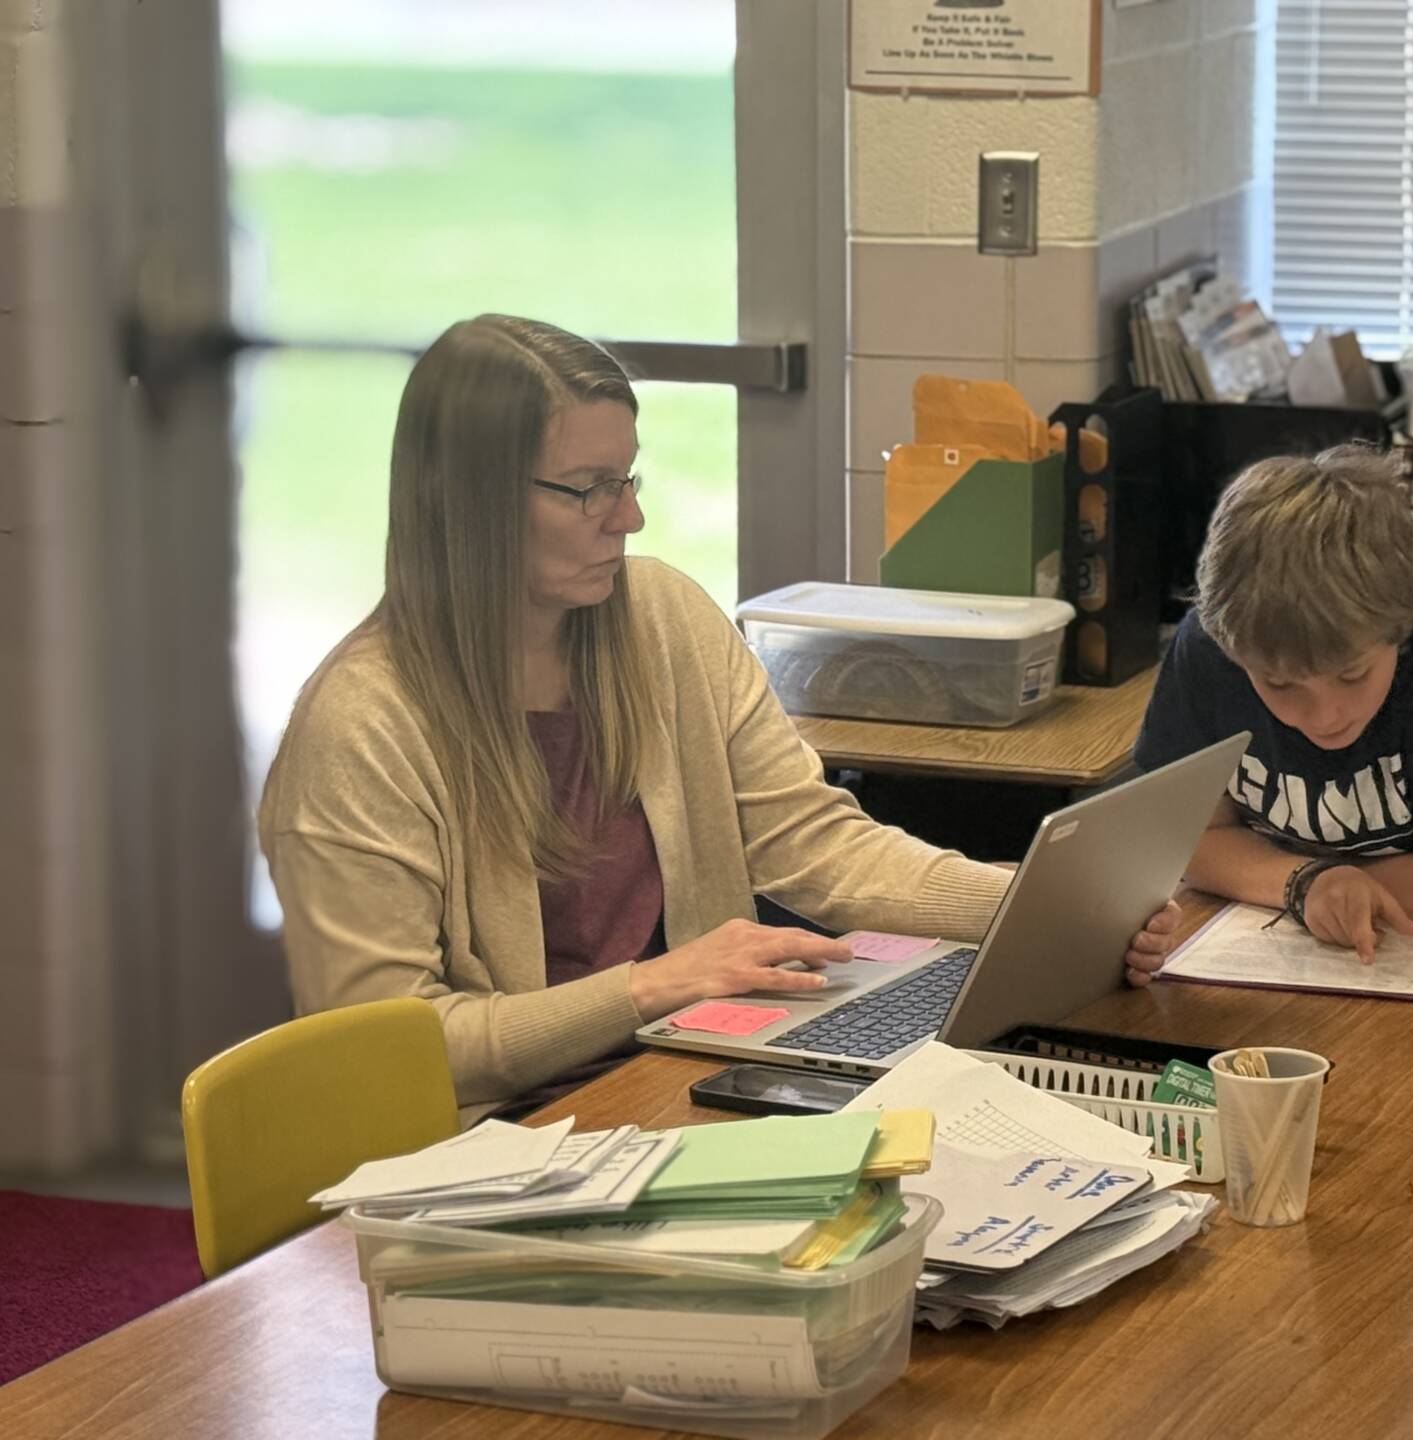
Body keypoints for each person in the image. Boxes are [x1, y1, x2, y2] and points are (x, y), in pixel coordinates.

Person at [259, 315, 1177, 1119]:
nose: (631, 517)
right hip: (512, 1140)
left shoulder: (659, 617)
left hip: (694, 1072)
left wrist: (1039, 906)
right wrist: (653, 987)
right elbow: (388, 1047)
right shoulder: (361, 728)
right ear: (468, 503)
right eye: (589, 488)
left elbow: (815, 846)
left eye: (628, 477)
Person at [1129, 444, 1413, 965]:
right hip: (1298, 954)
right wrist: (1309, 884)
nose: (1324, 716)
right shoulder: (1213, 645)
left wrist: (1298, 881)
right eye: (1279, 684)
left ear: (1400, 631)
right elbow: (1192, 845)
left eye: (1353, 675)